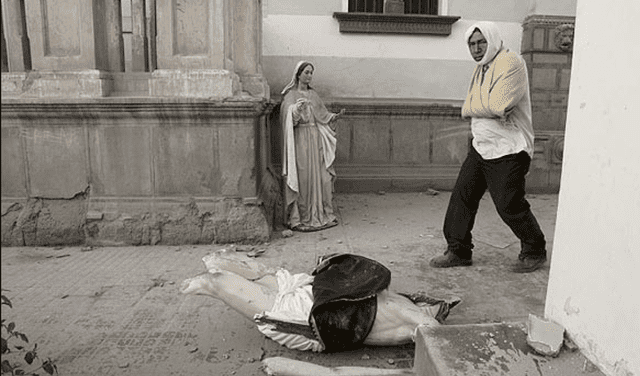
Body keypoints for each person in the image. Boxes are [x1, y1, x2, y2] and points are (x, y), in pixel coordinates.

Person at [429, 22, 547, 273]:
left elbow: (499, 105)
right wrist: (482, 106)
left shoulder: (511, 63)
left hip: (509, 149)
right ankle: (458, 250)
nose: (477, 48)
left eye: (481, 42)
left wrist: (468, 108)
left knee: (509, 205)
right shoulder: (482, 68)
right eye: (472, 44)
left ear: (492, 40)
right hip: (481, 146)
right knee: (463, 197)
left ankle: (534, 250)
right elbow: (488, 105)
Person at [181, 250, 460, 352]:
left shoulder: (407, 317)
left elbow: (432, 332)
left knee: (225, 281)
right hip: (311, 304)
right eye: (435, 308)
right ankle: (214, 273)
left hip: (312, 316)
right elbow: (433, 332)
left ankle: (213, 275)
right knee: (237, 278)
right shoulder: (401, 306)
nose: (432, 309)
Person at [281, 61, 346, 232]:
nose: (309, 76)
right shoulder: (290, 95)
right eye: (307, 72)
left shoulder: (314, 95)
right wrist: (295, 110)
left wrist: (334, 117)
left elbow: (322, 115)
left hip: (315, 139)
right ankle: (300, 217)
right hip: (300, 141)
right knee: (303, 178)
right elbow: (287, 119)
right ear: (298, 74)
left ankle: (322, 213)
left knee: (321, 177)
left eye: (311, 73)